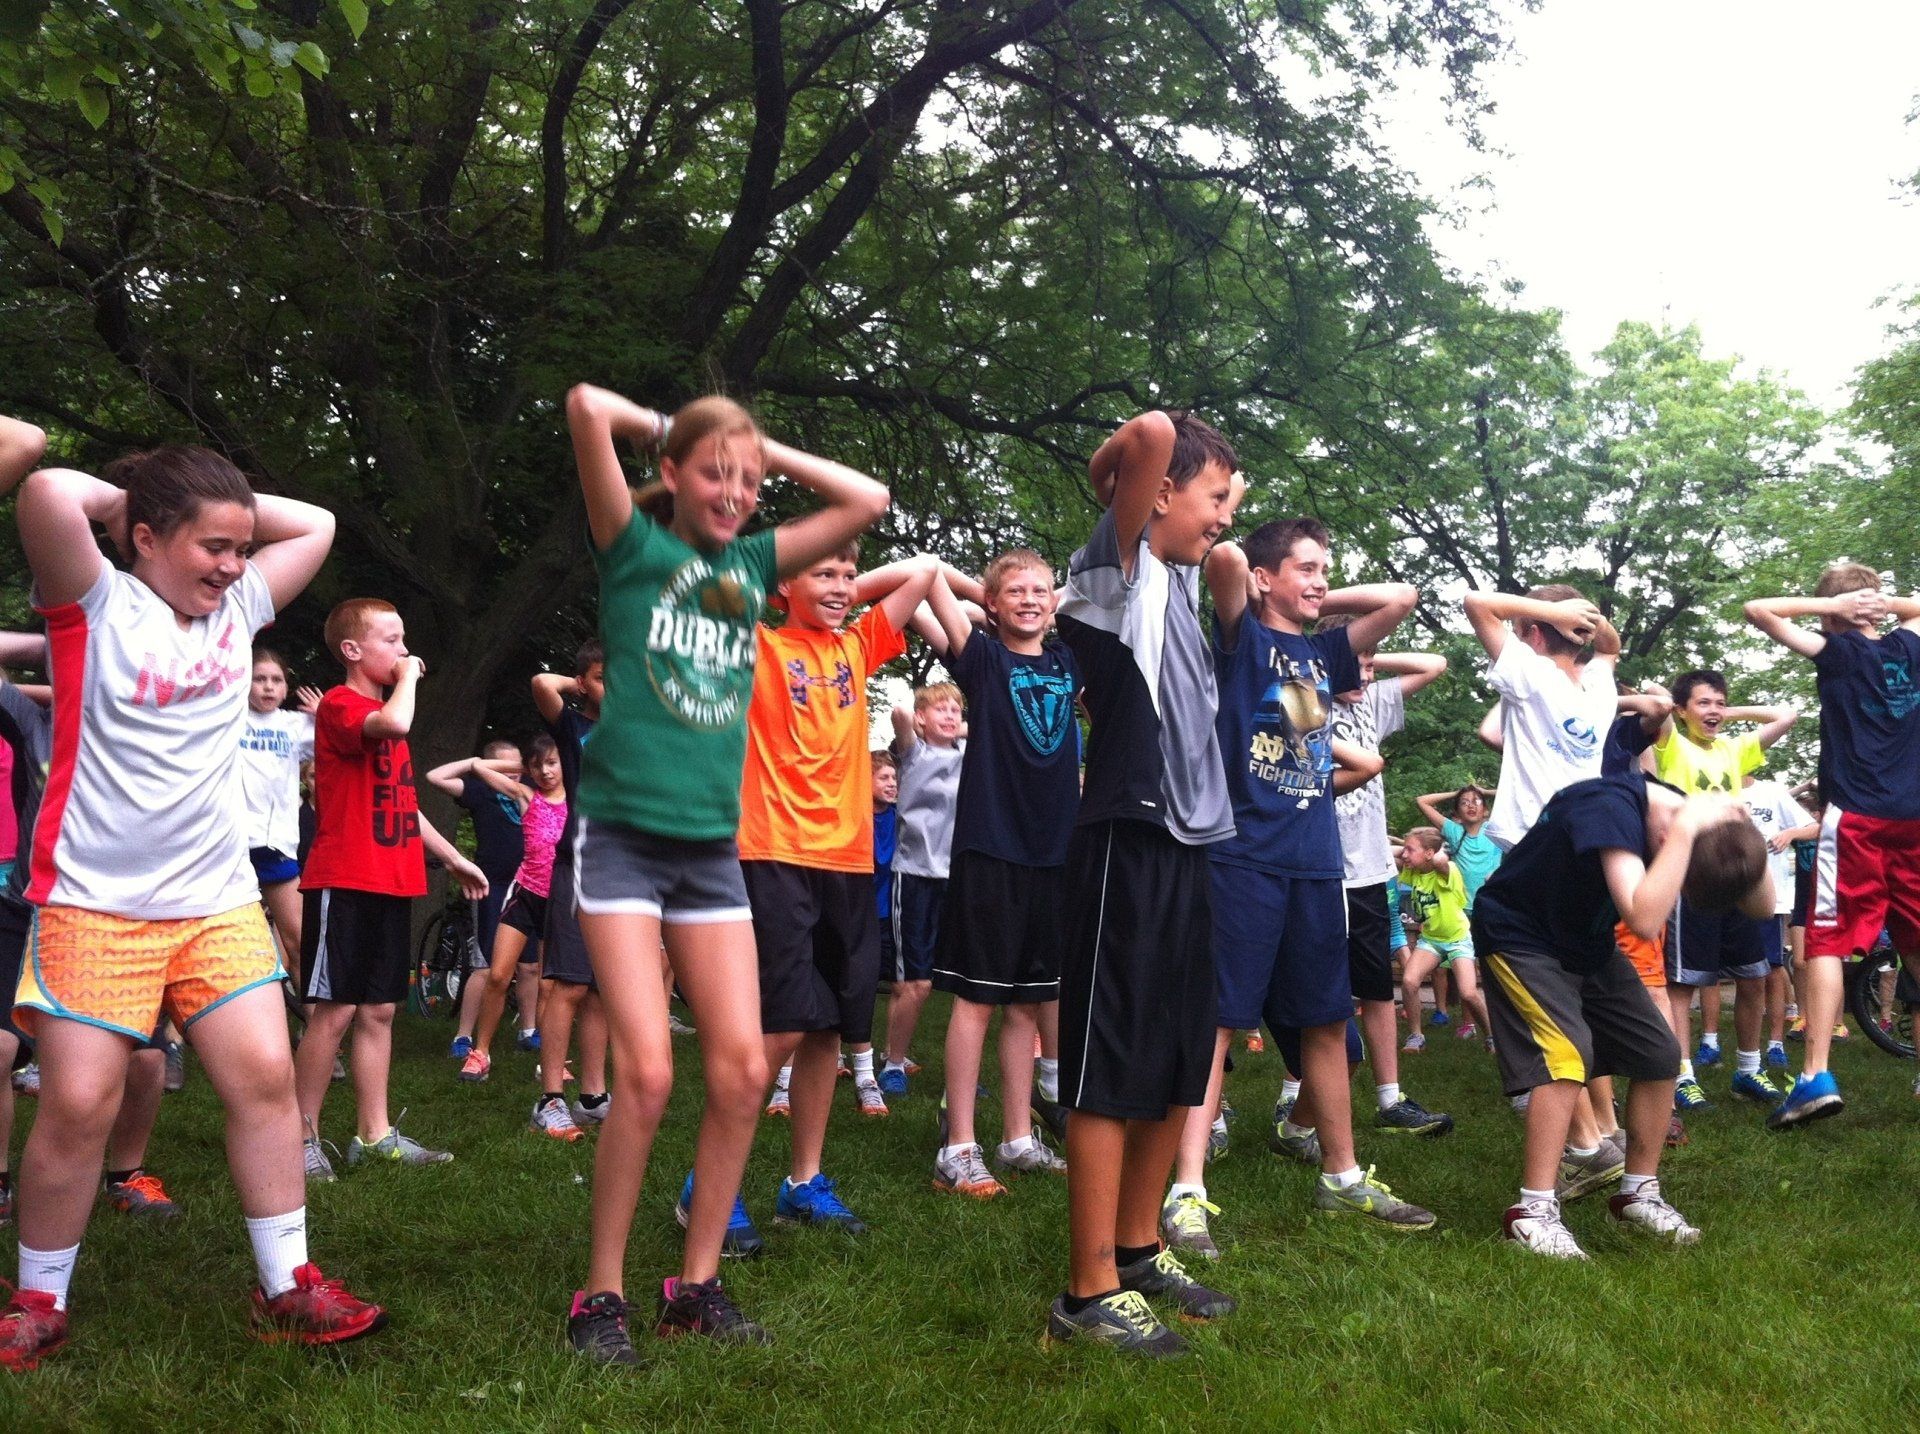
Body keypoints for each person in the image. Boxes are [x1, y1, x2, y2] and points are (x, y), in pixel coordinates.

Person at [0, 419, 384, 1369]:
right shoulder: (91, 603)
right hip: (94, 904)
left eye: (240, 549)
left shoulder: (241, 606)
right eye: (212, 545)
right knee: (78, 1104)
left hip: (214, 905)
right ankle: (39, 1299)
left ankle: (288, 1286)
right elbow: (47, 491)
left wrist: (214, 514)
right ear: (142, 538)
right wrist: (145, 493)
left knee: (260, 1079)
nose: (231, 564)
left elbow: (320, 523)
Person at [562, 385, 891, 1363]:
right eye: (715, 473)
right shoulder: (634, 547)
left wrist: (763, 449)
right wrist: (684, 430)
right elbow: (585, 407)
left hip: (709, 850)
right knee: (651, 1072)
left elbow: (865, 500)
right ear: (669, 474)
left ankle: (693, 1286)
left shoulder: (752, 564)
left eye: (747, 483)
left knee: (746, 1068)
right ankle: (601, 1295)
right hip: (622, 837)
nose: (735, 493)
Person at [1043, 409, 1243, 1357]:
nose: (1223, 522)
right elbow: (1156, 430)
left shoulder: (1177, 584)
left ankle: (1135, 1247)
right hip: (1125, 836)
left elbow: (1201, 520)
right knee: (1109, 1063)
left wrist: (1206, 515)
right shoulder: (1109, 575)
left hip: (1187, 845)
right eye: (1212, 499)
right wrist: (1127, 474)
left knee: (1176, 1057)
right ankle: (1087, 1290)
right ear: (1156, 492)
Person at [1475, 770, 1771, 1259]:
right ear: (1663, 835)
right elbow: (1643, 916)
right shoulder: (1606, 807)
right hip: (1519, 934)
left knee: (1660, 1054)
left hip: (1584, 943)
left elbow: (1764, 907)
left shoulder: (1694, 819)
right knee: (1566, 1053)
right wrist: (1684, 831)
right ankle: (1532, 1212)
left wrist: (1744, 835)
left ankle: (1637, 1194)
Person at [736, 544, 942, 1226]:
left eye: (849, 575)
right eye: (823, 574)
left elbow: (922, 574)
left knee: (829, 1024)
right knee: (780, 1022)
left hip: (849, 863)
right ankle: (711, 1184)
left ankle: (803, 1181)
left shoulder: (857, 645)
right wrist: (795, 578)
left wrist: (838, 589)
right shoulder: (757, 643)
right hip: (775, 853)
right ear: (781, 586)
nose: (842, 586)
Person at [291, 598, 488, 1179]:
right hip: (343, 879)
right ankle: (300, 1136)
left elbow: (403, 805)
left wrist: (453, 857)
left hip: (389, 880)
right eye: (392, 642)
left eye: (405, 643)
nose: (405, 653)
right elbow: (398, 721)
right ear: (353, 652)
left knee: (378, 1010)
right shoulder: (340, 706)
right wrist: (406, 679)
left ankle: (373, 1136)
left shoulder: (383, 720)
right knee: (332, 1011)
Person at [926, 550, 1081, 1198]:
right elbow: (932, 579)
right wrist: (986, 593)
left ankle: (1018, 1137)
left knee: (1031, 1001)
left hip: (1057, 852)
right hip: (992, 848)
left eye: (1040, 590)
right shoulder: (983, 660)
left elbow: (1082, 607)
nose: (1029, 599)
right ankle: (957, 1148)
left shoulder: (1068, 663)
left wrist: (1036, 595)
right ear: (992, 604)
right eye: (1014, 591)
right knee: (978, 1000)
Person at [1744, 569, 1920, 1127]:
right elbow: (1913, 608)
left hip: (1857, 819)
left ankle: (1814, 1075)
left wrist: (1844, 605)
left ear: (1831, 609)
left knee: (1825, 939)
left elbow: (1759, 608)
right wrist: (1879, 603)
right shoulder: (1909, 644)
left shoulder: (1835, 650)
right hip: (1914, 817)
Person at [1465, 585, 1626, 1188]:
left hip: (1534, 855)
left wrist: (1552, 613)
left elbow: (1475, 604)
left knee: (1542, 1004)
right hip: (1584, 855)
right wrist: (1582, 622)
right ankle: (1597, 1133)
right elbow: (1608, 646)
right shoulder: (1599, 686)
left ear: (1534, 632)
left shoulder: (1532, 675)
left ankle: (1586, 1146)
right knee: (1570, 993)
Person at [1316, 612, 1456, 1118]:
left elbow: (1434, 663)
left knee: (1377, 987)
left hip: (1373, 871)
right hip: (1322, 870)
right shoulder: (1307, 702)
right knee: (1320, 994)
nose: (1371, 676)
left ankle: (1390, 1099)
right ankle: (1295, 1101)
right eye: (1361, 666)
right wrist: (1335, 657)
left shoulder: (1373, 701)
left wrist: (1365, 654)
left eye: (1373, 666)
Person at [1648, 669, 1797, 1112]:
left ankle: (1748, 1072)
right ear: (1681, 710)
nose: (1714, 712)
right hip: (1689, 878)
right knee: (1683, 984)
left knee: (1754, 975)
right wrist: (1673, 705)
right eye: (1703, 703)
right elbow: (1656, 700)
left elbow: (1787, 714)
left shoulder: (1735, 748)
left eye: (1720, 703)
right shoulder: (1670, 743)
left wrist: (1732, 710)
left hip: (1738, 875)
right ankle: (1683, 1075)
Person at [531, 643, 615, 1137]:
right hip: (577, 864)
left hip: (621, 870)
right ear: (584, 683)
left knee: (603, 991)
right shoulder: (574, 726)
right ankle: (550, 1098)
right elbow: (543, 684)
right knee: (570, 983)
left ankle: (592, 1094)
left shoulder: (633, 728)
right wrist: (581, 682)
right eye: (605, 678)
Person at [455, 736, 568, 1095]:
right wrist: (519, 767)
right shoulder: (525, 796)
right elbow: (478, 767)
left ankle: (548, 1062)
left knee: (550, 986)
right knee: (499, 975)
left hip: (560, 902)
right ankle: (481, 1053)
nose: (546, 771)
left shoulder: (579, 801)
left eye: (553, 763)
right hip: (524, 896)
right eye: (538, 766)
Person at [878, 683, 965, 1097]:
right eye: (940, 710)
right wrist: (910, 718)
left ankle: (961, 1075)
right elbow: (897, 711)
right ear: (922, 718)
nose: (950, 716)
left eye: (955, 709)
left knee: (962, 986)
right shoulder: (913, 752)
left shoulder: (968, 756)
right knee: (916, 983)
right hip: (912, 877)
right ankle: (893, 1062)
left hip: (956, 878)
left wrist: (962, 727)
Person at [430, 739, 531, 1058]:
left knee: (530, 965)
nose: (514, 772)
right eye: (505, 766)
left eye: (517, 766)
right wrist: (474, 762)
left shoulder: (529, 787)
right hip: (491, 885)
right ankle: (463, 1037)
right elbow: (436, 777)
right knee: (485, 966)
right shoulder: (480, 790)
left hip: (529, 884)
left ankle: (529, 1030)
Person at [239, 647, 315, 988]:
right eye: (259, 679)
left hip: (277, 845)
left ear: (286, 688)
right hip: (228, 844)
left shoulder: (296, 725)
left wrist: (327, 713)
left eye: (277, 680)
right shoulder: (226, 716)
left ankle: (316, 1033)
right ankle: (175, 1034)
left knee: (300, 941)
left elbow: (354, 735)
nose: (269, 687)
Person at [1741, 775, 1817, 1070]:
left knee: (1771, 970)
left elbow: (1816, 827)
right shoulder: (1716, 786)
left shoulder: (1771, 791)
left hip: (1768, 899)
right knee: (1735, 975)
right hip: (1724, 893)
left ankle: (1775, 1043)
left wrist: (1791, 834)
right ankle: (1723, 1048)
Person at [1397, 828, 1492, 1044]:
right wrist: (1409, 847)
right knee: (1409, 981)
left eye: (1410, 850)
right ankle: (1416, 1035)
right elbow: (1388, 851)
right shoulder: (1414, 872)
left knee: (1468, 993)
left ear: (1429, 853)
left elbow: (1441, 860)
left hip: (1457, 938)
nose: (1404, 855)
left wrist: (1433, 849)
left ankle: (1492, 1035)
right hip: (1431, 940)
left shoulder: (1448, 870)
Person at [1414, 784, 1501, 915]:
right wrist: (1456, 793)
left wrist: (1486, 792)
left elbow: (1519, 796)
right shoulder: (1454, 831)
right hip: (1461, 909)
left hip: (1492, 906)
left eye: (1476, 801)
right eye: (1464, 803)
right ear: (1457, 813)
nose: (1471, 806)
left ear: (1485, 810)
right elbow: (1422, 801)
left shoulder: (1495, 829)